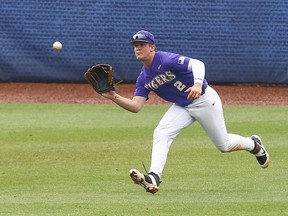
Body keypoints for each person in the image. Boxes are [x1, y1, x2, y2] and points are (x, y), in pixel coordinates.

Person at [101, 30, 269, 194]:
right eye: (135, 45)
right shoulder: (143, 78)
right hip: (182, 106)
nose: (138, 48)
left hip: (204, 100)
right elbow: (136, 106)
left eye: (142, 44)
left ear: (152, 47)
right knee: (161, 132)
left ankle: (254, 145)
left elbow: (197, 63)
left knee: (224, 145)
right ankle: (154, 176)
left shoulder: (165, 59)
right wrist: (113, 96)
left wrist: (197, 83)